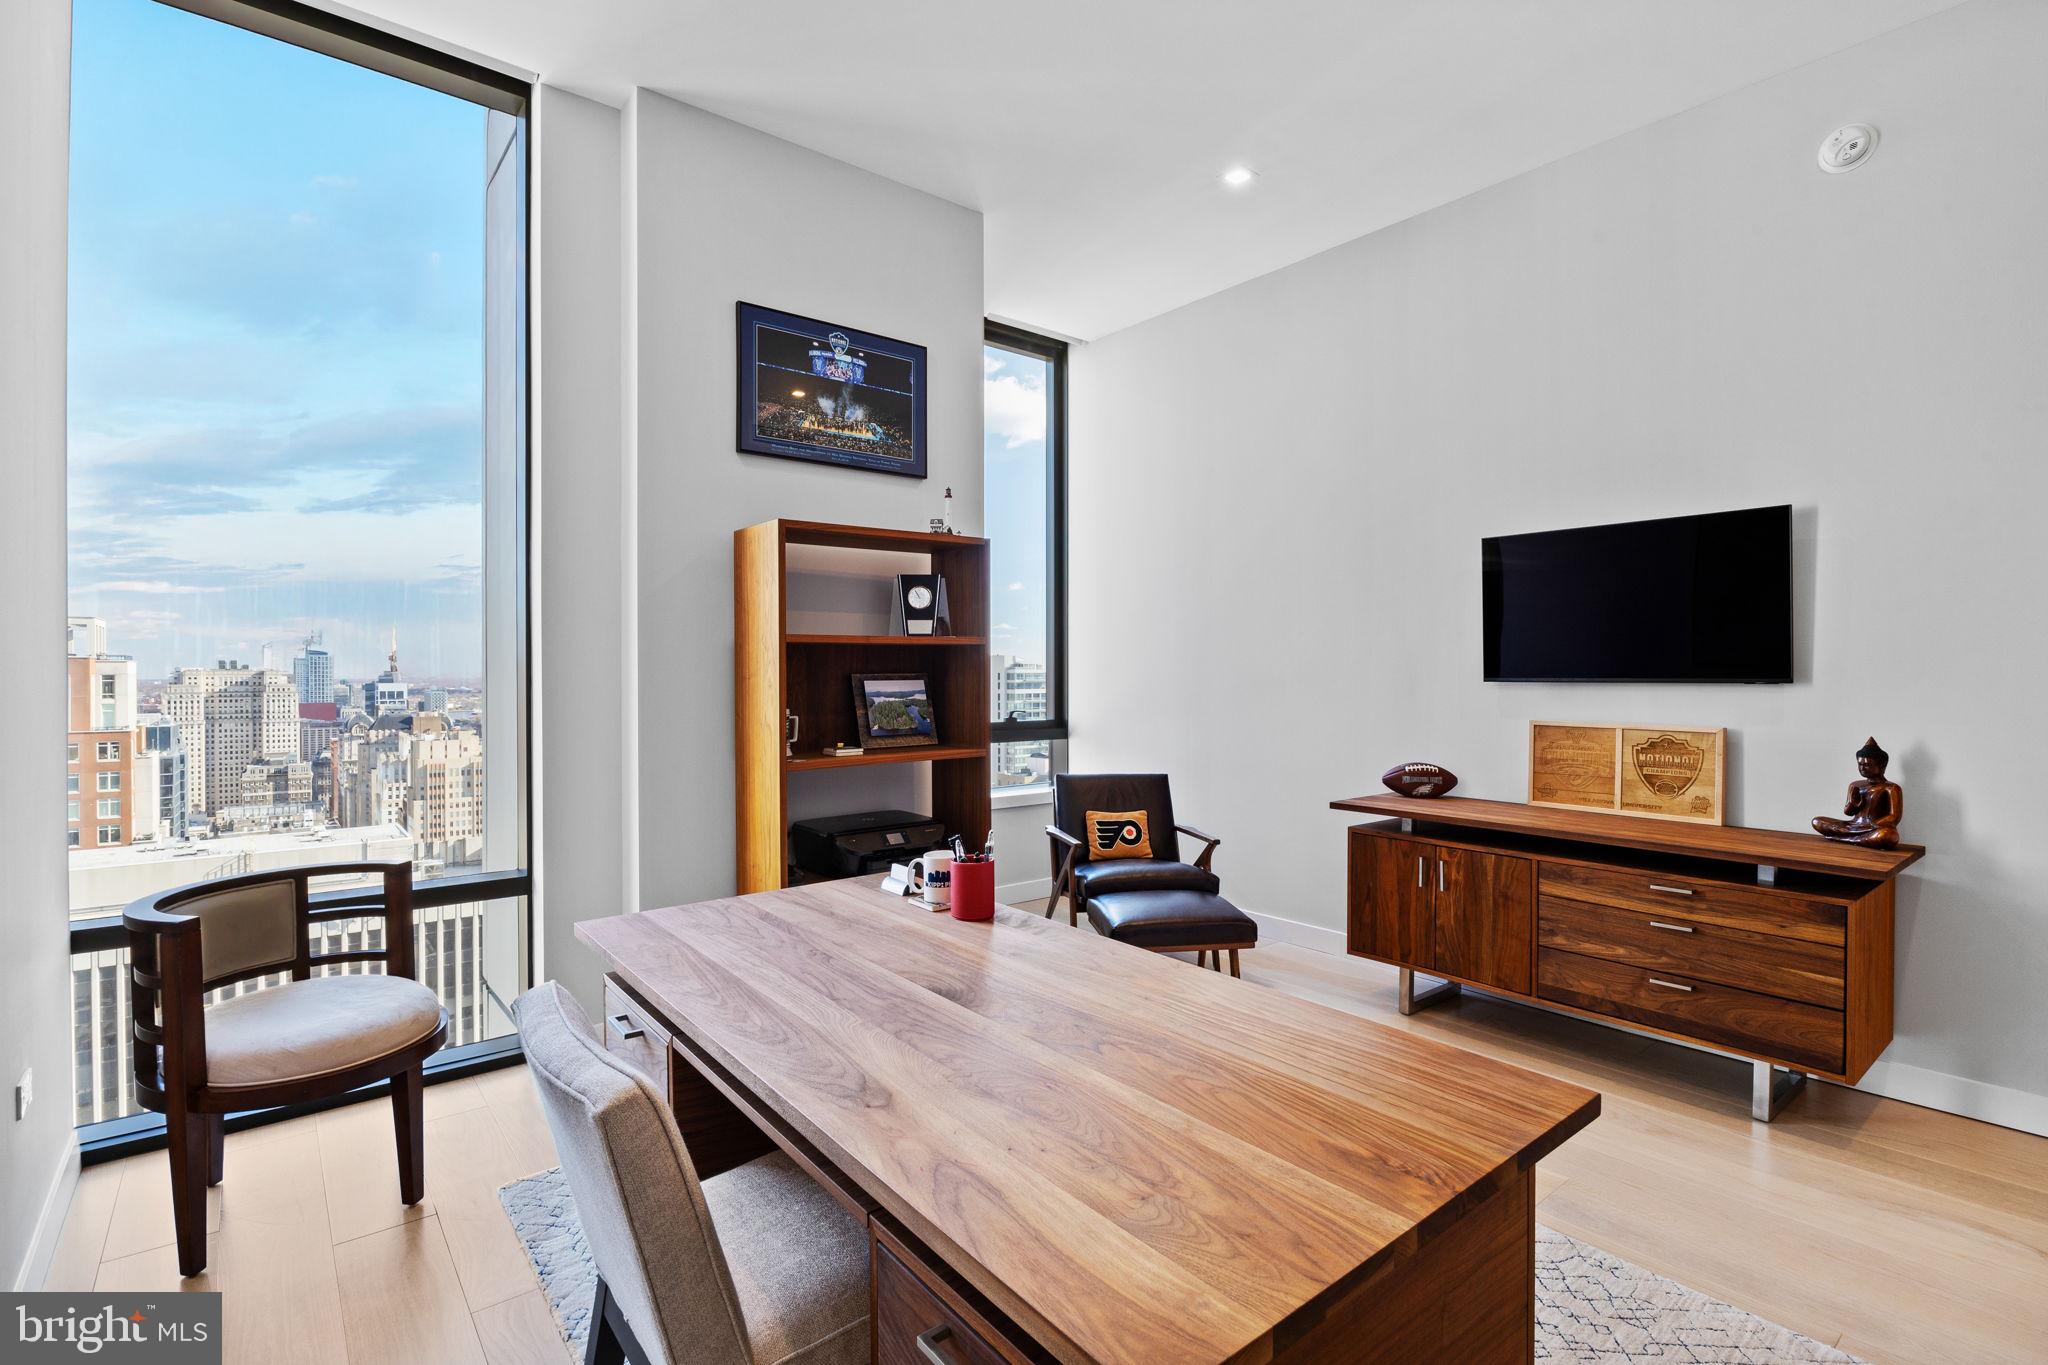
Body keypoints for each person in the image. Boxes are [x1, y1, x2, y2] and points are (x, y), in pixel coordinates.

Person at [1812, 737, 1903, 848]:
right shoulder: (1855, 785)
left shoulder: (1891, 788)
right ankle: (1857, 839)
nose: (1862, 768)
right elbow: (1848, 812)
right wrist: (1853, 803)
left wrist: (1873, 825)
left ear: (1882, 766)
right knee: (1817, 821)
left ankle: (1847, 839)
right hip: (1853, 826)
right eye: (1860, 764)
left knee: (1889, 836)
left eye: (1867, 765)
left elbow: (1894, 817)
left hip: (1874, 827)